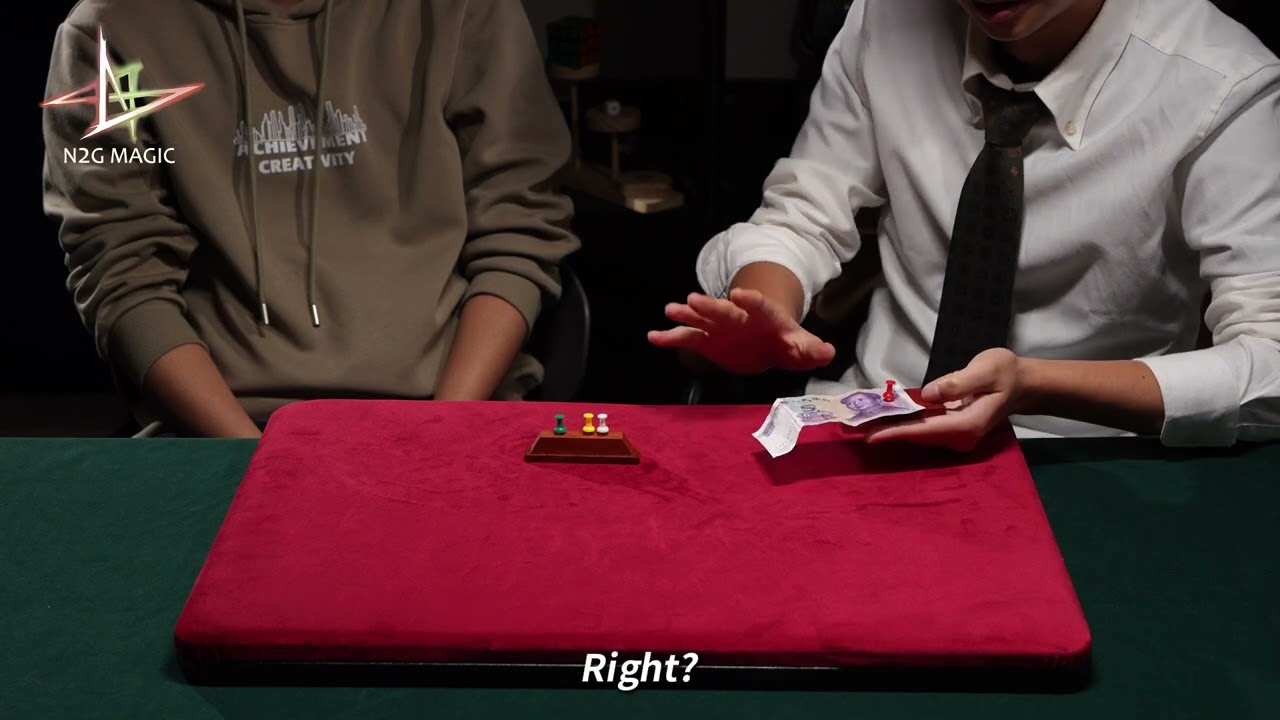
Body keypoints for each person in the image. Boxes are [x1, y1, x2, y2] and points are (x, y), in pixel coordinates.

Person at [651, 0, 1280, 451]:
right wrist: (768, 312)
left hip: (1087, 457)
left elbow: (1270, 364)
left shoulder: (1223, 82)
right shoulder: (886, 19)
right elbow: (801, 217)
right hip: (873, 423)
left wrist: (1036, 386)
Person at [42, 0, 579, 438]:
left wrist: (442, 432)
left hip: (452, 413)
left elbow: (519, 229)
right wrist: (253, 461)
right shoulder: (111, 30)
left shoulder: (465, 10)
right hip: (224, 430)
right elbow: (124, 273)